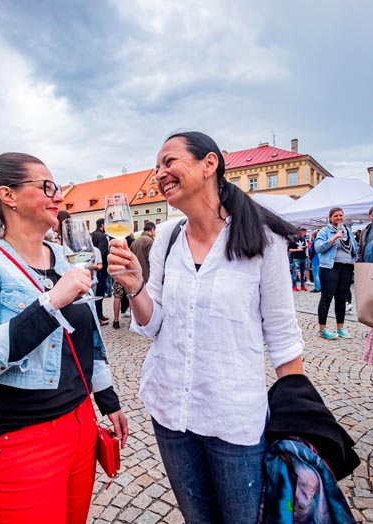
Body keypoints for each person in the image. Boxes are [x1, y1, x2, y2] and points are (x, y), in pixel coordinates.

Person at [108, 131, 304, 524]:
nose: (159, 173)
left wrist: (297, 422)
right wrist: (135, 288)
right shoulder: (167, 239)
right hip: (171, 413)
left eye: (169, 161)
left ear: (209, 164)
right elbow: (152, 324)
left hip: (234, 418)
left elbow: (282, 336)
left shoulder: (262, 239)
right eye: (157, 165)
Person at [0, 153, 128, 524]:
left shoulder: (64, 257)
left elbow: (89, 337)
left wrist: (107, 399)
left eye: (57, 186)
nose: (59, 196)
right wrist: (50, 303)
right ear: (8, 195)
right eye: (46, 187)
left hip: (80, 423)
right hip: (22, 436)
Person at [315, 207, 358, 340]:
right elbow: (318, 247)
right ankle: (322, 329)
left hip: (346, 267)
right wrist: (333, 238)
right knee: (327, 297)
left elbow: (354, 247)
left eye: (340, 215)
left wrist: (354, 260)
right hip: (330, 267)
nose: (339, 218)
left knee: (341, 297)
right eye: (335, 216)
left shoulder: (347, 231)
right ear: (330, 218)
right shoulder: (325, 231)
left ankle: (340, 328)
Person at [91, 217, 109, 324]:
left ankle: (99, 314)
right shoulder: (102, 236)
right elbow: (102, 252)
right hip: (99, 269)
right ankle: (98, 316)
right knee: (99, 294)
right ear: (102, 225)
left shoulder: (92, 234)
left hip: (92, 268)